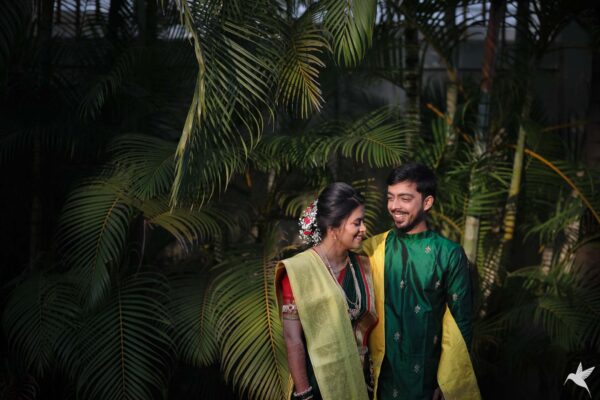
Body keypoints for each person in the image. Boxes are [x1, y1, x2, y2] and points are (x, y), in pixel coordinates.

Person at [362, 163, 480, 400]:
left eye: (405, 198)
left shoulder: (449, 254)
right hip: (378, 374)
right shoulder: (373, 248)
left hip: (426, 377)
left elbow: (461, 321)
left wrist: (449, 380)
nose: (394, 206)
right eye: (390, 197)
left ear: (427, 202)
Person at [275, 182, 378, 400]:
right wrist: (305, 394)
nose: (363, 229)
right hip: (316, 385)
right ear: (333, 228)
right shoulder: (299, 270)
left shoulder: (363, 265)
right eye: (357, 223)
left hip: (358, 383)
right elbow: (292, 339)